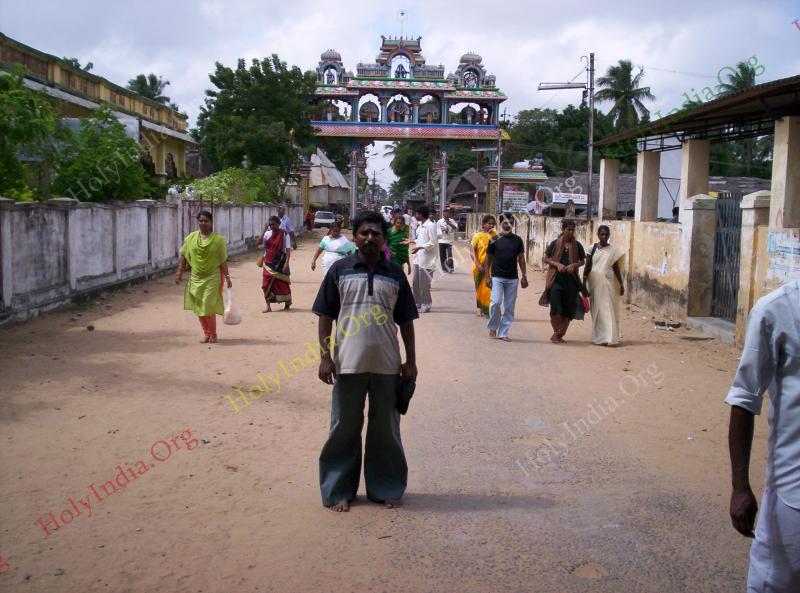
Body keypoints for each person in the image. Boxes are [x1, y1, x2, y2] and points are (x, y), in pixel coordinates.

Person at [313, 210, 418, 512]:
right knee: (343, 428)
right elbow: (325, 316)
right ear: (355, 237)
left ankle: (386, 487)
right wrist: (325, 357)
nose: (370, 238)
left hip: (387, 365)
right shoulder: (340, 270)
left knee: (386, 430)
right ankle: (338, 491)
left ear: (384, 238)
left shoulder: (395, 272)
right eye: (364, 233)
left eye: (376, 233)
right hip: (347, 365)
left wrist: (410, 362)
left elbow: (407, 321)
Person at [726, 278, 800, 592]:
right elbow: (744, 398)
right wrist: (740, 486)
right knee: (774, 582)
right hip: (793, 492)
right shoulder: (776, 309)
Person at [175, 211, 232, 343]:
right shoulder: (191, 238)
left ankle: (213, 333)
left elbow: (223, 260)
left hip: (212, 277)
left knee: (208, 306)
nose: (203, 223)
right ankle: (206, 333)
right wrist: (179, 272)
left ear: (211, 222)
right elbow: (184, 254)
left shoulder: (218, 240)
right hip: (196, 277)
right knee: (199, 306)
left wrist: (228, 277)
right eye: (201, 220)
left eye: (206, 220)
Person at [542, 219, 586, 343]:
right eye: (568, 229)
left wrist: (574, 266)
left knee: (568, 309)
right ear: (563, 229)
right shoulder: (555, 244)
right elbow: (545, 258)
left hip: (571, 282)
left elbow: (582, 261)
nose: (571, 232)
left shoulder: (577, 246)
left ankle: (560, 334)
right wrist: (557, 264)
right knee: (556, 307)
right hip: (556, 280)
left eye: (573, 230)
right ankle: (556, 332)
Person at [484, 216, 527, 342]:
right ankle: (493, 326)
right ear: (501, 223)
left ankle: (503, 332)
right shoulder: (494, 239)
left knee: (509, 307)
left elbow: (521, 258)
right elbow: (488, 258)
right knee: (496, 302)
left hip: (512, 278)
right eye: (505, 223)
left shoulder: (518, 240)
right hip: (497, 276)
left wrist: (524, 276)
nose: (508, 225)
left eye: (511, 223)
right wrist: (487, 276)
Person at [584, 225, 625, 346]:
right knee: (597, 310)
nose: (604, 236)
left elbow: (616, 268)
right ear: (598, 234)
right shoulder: (592, 248)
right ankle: (599, 336)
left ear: (609, 235)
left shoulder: (613, 250)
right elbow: (587, 266)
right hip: (595, 281)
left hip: (609, 282)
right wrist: (583, 284)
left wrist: (621, 284)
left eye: (606, 234)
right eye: (602, 234)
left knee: (608, 309)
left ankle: (609, 337)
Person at [257, 216, 292, 312]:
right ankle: (268, 306)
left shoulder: (285, 234)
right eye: (270, 224)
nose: (271, 226)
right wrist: (264, 230)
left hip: (279, 262)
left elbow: (288, 250)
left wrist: (286, 263)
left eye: (273, 224)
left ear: (279, 224)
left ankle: (287, 303)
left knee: (282, 284)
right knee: (265, 285)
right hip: (267, 263)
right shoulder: (267, 234)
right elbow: (258, 243)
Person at [410, 206, 437, 313]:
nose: (415, 216)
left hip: (427, 260)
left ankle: (427, 304)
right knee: (415, 281)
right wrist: (411, 241)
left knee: (424, 284)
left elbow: (433, 242)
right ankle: (417, 302)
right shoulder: (420, 226)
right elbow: (420, 240)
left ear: (420, 214)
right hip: (418, 258)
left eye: (416, 214)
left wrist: (420, 247)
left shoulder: (431, 226)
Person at [470, 215, 497, 317]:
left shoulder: (495, 236)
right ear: (484, 224)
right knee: (479, 288)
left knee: (489, 288)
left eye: (492, 224)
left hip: (491, 266)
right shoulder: (477, 236)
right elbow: (472, 252)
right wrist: (478, 265)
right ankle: (479, 308)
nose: (491, 225)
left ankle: (487, 310)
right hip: (479, 267)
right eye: (489, 223)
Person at [436, 208, 458, 273]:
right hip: (441, 241)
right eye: (444, 214)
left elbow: (456, 228)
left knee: (450, 255)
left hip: (449, 241)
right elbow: (437, 231)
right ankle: (444, 268)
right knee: (442, 256)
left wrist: (449, 224)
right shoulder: (439, 221)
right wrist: (443, 230)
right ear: (443, 214)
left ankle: (450, 268)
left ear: (449, 214)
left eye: (447, 214)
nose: (446, 215)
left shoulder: (452, 221)